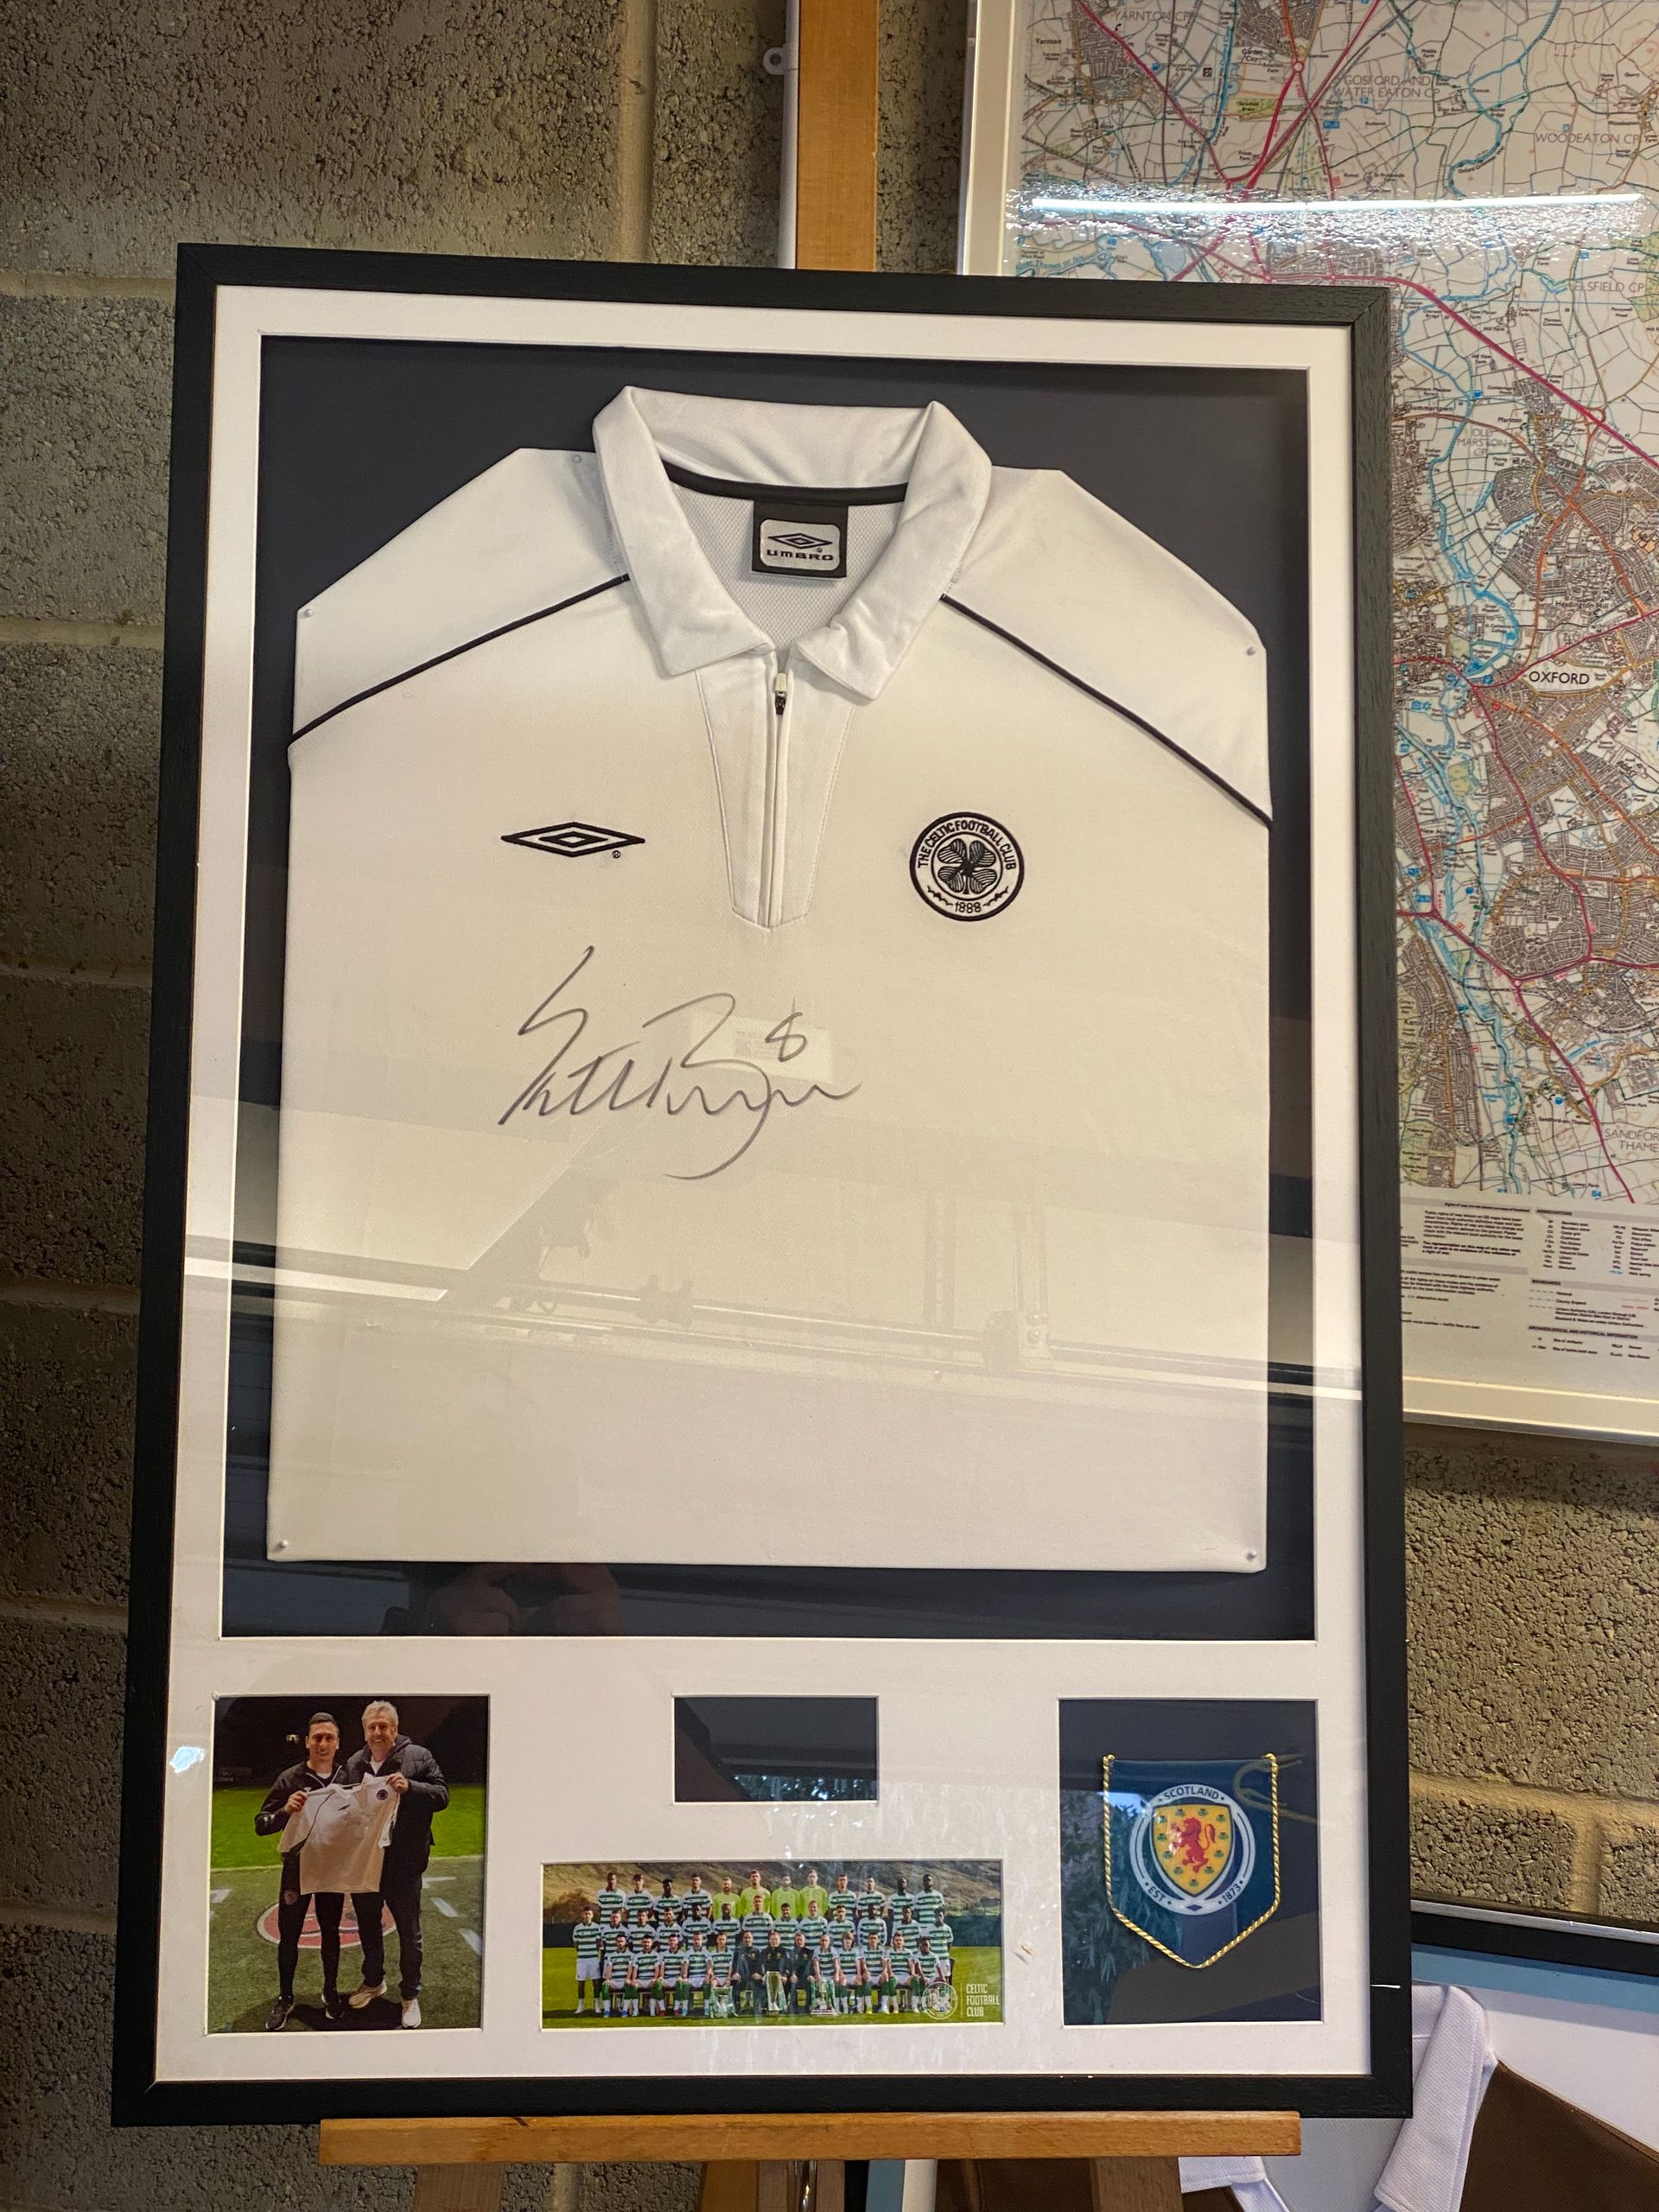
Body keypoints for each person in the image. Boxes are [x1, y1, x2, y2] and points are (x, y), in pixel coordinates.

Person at [344, 1700, 449, 2029]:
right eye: (372, 1727)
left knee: (409, 1932)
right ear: (365, 1731)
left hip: (404, 1862)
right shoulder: (354, 1763)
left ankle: (410, 1995)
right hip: (366, 1862)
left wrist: (411, 1786)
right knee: (368, 1926)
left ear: (395, 1729)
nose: (377, 1732)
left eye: (383, 1726)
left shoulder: (418, 1756)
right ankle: (374, 1981)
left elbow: (442, 1795)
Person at [255, 1711, 347, 2031]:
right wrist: (285, 1810)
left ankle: (331, 1992)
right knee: (289, 1934)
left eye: (329, 1738)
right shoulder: (290, 1779)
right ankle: (285, 1997)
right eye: (317, 1738)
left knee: (331, 1932)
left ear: (337, 1743)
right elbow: (261, 1824)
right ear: (307, 1742)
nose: (323, 1743)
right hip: (297, 1869)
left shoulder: (347, 1777)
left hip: (331, 1870)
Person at [572, 1906, 602, 2014]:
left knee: (596, 1982)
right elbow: (576, 1944)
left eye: (589, 1914)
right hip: (582, 1960)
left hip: (593, 1959)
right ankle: (581, 2006)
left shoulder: (597, 1927)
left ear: (592, 1915)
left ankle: (597, 2005)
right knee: (581, 1983)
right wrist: (582, 1952)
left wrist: (592, 1952)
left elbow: (598, 1943)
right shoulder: (577, 1928)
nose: (587, 1916)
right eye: (585, 1914)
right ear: (582, 1915)